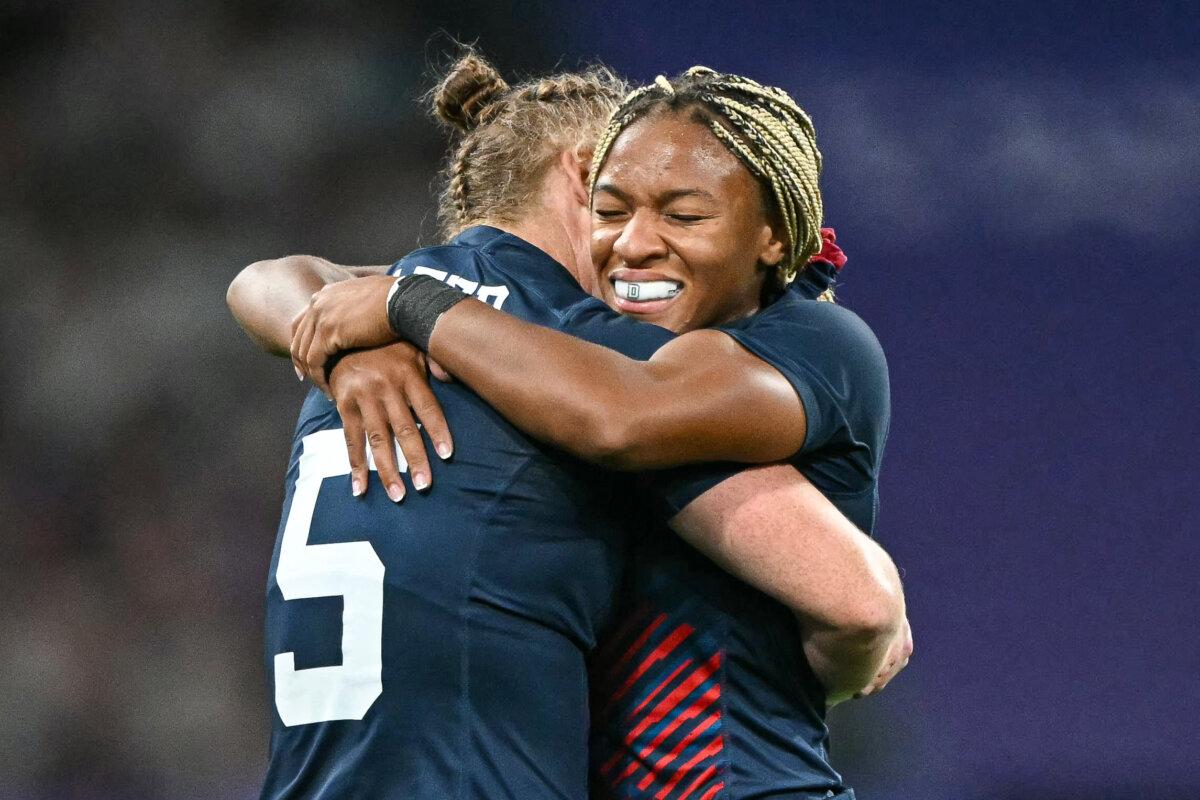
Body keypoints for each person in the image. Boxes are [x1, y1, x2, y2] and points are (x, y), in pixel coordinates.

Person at [229, 55, 907, 800]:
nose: (637, 242)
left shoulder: (452, 328)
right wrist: (350, 350)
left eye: (683, 212)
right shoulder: (547, 355)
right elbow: (862, 606)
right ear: (588, 178)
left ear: (772, 235)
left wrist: (376, 325)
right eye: (617, 209)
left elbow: (270, 279)